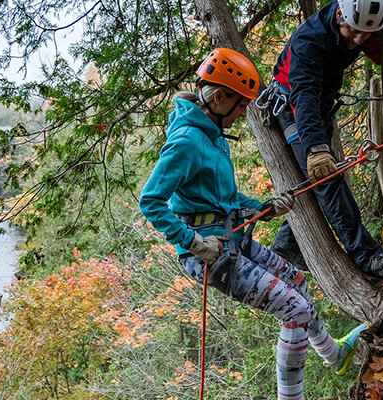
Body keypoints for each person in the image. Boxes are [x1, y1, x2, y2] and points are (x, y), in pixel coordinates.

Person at [139, 48, 366, 400]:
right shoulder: (186, 142)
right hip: (210, 254)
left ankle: (334, 355)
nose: (244, 112)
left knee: (297, 280)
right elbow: (151, 201)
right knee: (296, 310)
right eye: (241, 104)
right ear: (218, 97)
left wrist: (263, 207)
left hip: (232, 238)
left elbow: (222, 198)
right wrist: (193, 243)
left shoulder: (212, 134)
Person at [265, 0, 383, 277]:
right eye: (354, 31)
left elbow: (382, 51)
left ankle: (288, 243)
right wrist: (315, 148)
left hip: (320, 107)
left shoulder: (360, 23)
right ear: (339, 15)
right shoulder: (309, 40)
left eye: (366, 33)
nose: (358, 39)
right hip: (293, 108)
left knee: (320, 178)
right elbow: (304, 94)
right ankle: (367, 257)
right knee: (327, 178)